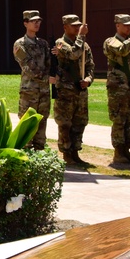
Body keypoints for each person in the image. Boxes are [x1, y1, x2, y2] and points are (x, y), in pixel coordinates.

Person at [103, 14, 130, 165]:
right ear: (117, 25)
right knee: (119, 118)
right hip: (119, 88)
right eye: (125, 25)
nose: (128, 28)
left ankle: (127, 150)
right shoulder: (111, 42)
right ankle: (118, 152)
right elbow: (122, 50)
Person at [52, 14, 94, 166]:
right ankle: (66, 153)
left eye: (79, 25)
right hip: (66, 91)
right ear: (65, 27)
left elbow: (90, 66)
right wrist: (81, 36)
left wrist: (88, 80)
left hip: (80, 90)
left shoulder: (85, 46)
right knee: (65, 123)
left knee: (80, 122)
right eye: (74, 25)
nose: (77, 28)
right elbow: (74, 54)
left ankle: (75, 152)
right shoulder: (60, 43)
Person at [13, 10, 54, 151]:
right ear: (25, 23)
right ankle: (26, 156)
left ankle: (40, 155)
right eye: (33, 21)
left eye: (39, 21)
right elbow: (28, 67)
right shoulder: (19, 44)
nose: (37, 24)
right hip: (29, 92)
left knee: (42, 123)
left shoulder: (43, 44)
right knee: (27, 124)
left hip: (43, 92)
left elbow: (49, 65)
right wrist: (47, 78)